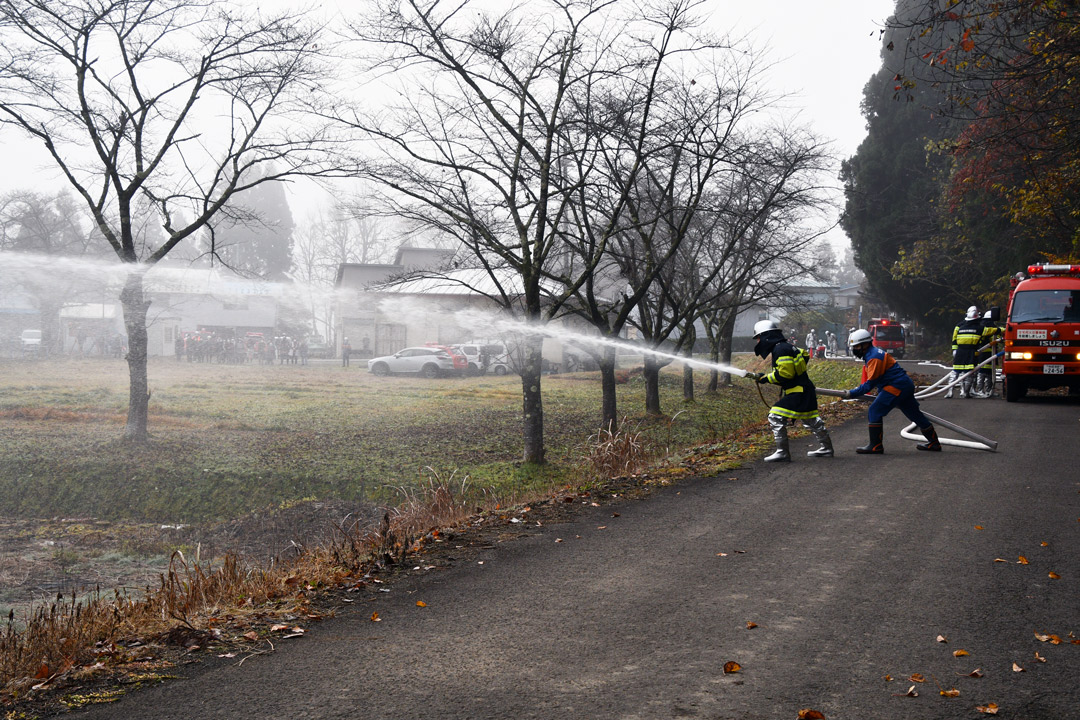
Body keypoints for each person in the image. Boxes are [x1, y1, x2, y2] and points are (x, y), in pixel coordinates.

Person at [746, 319, 833, 462]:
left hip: (798, 392)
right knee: (811, 420)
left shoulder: (779, 350)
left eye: (759, 338)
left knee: (775, 416)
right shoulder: (787, 346)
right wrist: (798, 371)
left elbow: (786, 374)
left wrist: (765, 378)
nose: (758, 342)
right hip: (806, 390)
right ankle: (827, 448)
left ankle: (782, 452)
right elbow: (804, 354)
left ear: (767, 336)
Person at [843, 329, 941, 453]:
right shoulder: (872, 354)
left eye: (856, 346)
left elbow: (869, 384)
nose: (854, 349)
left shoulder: (874, 358)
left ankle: (875, 446)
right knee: (913, 414)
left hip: (896, 386)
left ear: (865, 344)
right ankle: (934, 443)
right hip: (903, 385)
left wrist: (851, 393)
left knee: (874, 411)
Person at [946, 306, 983, 398]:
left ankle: (956, 391)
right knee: (968, 372)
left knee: (957, 372)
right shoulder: (976, 327)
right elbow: (954, 339)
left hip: (960, 352)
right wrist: (954, 349)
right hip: (969, 352)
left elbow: (955, 339)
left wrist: (955, 350)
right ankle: (964, 392)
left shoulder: (960, 326)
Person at [976, 310, 1000, 396]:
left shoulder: (985, 326)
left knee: (989, 372)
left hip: (989, 354)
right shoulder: (986, 328)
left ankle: (988, 391)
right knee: (983, 372)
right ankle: (981, 390)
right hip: (984, 353)